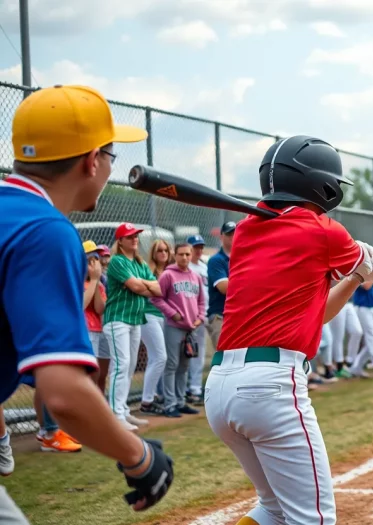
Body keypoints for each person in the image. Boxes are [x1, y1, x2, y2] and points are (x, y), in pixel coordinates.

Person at [0, 84, 173, 523]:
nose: (110, 166)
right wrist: (140, 459)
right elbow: (64, 393)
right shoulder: (44, 230)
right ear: (91, 161)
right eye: (111, 155)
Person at [203, 135, 373, 525]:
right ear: (322, 185)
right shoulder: (323, 230)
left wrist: (356, 275)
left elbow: (317, 314)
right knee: (314, 519)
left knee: (272, 508)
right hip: (271, 386)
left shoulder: (249, 232)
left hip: (220, 389)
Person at [104, 223, 162, 431]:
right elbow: (138, 287)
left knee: (129, 367)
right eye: (129, 237)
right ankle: (115, 415)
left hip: (135, 319)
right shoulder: (117, 261)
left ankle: (123, 411)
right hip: (117, 318)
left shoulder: (139, 263)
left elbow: (157, 289)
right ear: (120, 241)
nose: (134, 239)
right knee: (121, 365)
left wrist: (141, 284)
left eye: (136, 236)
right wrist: (142, 285)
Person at [151, 243, 206, 417]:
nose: (184, 258)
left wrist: (200, 317)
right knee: (171, 365)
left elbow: (202, 302)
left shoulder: (195, 276)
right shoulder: (168, 275)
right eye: (181, 254)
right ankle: (170, 404)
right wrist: (172, 314)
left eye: (187, 255)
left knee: (184, 365)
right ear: (175, 254)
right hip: (174, 326)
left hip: (191, 328)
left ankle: (181, 401)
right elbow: (156, 298)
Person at [139, 239, 172, 416]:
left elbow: (164, 291)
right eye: (159, 250)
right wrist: (155, 287)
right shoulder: (147, 269)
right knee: (160, 357)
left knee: (157, 358)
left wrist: (155, 288)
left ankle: (151, 396)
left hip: (164, 316)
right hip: (148, 314)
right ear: (153, 253)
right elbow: (150, 290)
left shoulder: (170, 271)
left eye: (166, 250)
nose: (163, 253)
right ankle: (147, 401)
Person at [186, 234, 210, 404]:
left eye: (201, 247)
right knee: (189, 354)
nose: (199, 250)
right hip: (191, 316)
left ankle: (195, 388)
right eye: (195, 247)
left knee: (199, 354)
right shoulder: (186, 268)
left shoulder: (204, 267)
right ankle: (190, 390)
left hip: (205, 314)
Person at [82, 241, 108, 390]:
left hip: (97, 329)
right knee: (88, 373)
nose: (93, 263)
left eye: (95, 259)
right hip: (85, 329)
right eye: (89, 260)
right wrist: (92, 280)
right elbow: (82, 305)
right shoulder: (78, 281)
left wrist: (96, 281)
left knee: (97, 374)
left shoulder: (98, 284)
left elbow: (99, 309)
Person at [207, 221, 236, 350]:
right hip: (220, 315)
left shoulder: (243, 258)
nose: (232, 236)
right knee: (224, 356)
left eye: (235, 233)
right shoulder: (216, 260)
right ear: (221, 236)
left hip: (238, 316)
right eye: (229, 233)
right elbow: (224, 288)